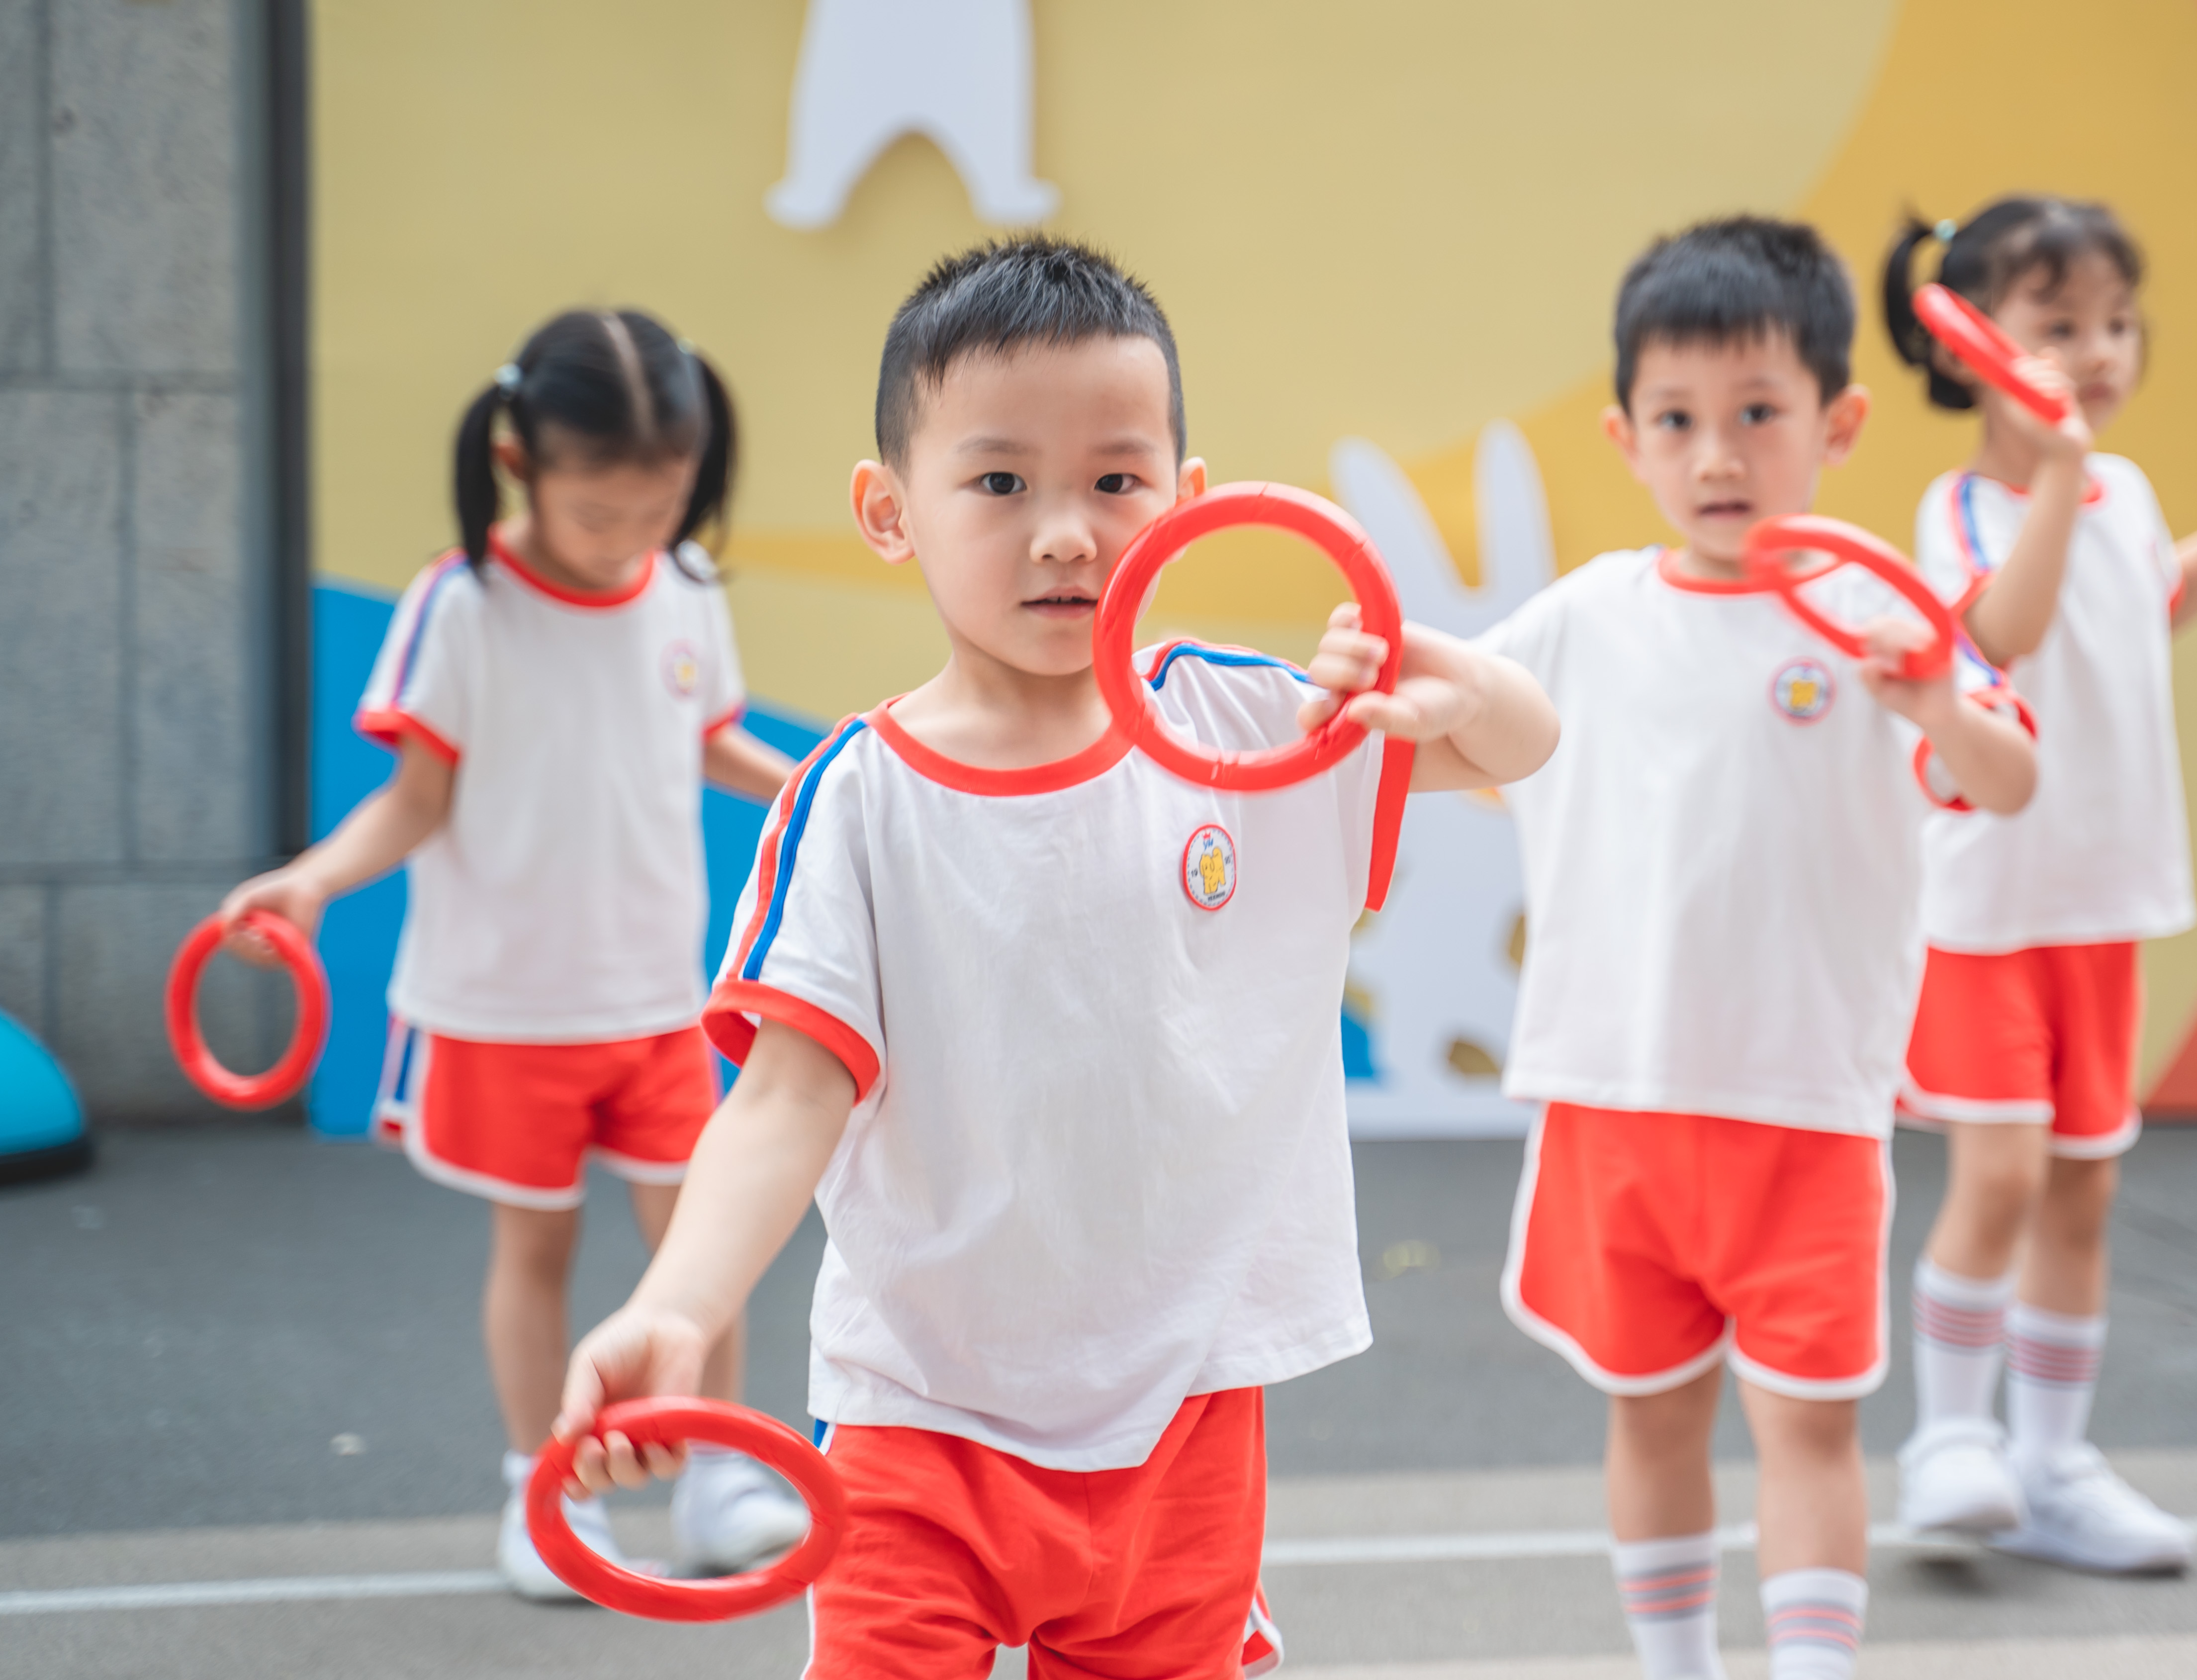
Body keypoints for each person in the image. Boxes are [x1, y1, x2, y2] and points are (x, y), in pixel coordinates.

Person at [550, 237, 1559, 1677]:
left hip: (1183, 1410)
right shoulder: (859, 798)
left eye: (1115, 479)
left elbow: (1514, 745)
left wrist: (1471, 680)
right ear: (890, 512)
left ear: (1189, 505)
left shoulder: (1249, 733)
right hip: (921, 1415)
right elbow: (785, 1097)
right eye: (1002, 480)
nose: (1068, 530)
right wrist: (675, 1307)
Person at [1481, 217, 2037, 1680]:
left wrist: (1933, 702)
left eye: (1756, 414)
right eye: (1677, 420)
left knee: (1810, 1422)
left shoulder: (1878, 613)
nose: (1715, 453)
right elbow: (1455, 721)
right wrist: (1375, 678)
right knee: (1651, 1411)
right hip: (1617, 1097)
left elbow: (2009, 776)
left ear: (1838, 422)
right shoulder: (1585, 618)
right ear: (1626, 434)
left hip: (1807, 1108)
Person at [218, 309, 807, 1598]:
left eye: (660, 508)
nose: (630, 542)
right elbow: (414, 800)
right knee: (534, 1254)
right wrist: (311, 883)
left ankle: (718, 1477)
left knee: (708, 1240)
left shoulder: (686, 590)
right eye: (601, 513)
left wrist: (832, 789)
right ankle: (546, 1501)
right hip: (505, 1010)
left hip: (662, 996)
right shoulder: (463, 609)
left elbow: (710, 740)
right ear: (517, 461)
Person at [1880, 196, 2197, 1572]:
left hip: (2105, 907)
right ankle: (1950, 1440)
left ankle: (2057, 1463)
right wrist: (2067, 478)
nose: (2099, 351)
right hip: (1986, 912)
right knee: (2005, 1172)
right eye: (2059, 324)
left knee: (2083, 1190)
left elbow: (2152, 597)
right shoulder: (1958, 509)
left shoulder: (2124, 495)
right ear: (1971, 346)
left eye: (2118, 323)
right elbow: (2001, 636)